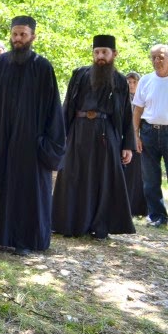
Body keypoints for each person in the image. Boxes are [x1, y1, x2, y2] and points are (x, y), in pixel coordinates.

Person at [0, 16, 66, 256]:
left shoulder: (43, 67)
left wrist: (46, 145)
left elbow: (53, 110)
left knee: (26, 191)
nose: (18, 39)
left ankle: (23, 240)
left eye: (23, 35)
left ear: (32, 37)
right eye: (15, 34)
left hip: (30, 144)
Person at [52, 35, 136, 238]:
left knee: (103, 179)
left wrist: (127, 145)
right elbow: (67, 105)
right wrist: (60, 135)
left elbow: (126, 114)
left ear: (114, 54)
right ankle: (71, 223)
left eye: (104, 52)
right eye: (97, 52)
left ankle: (100, 225)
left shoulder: (120, 81)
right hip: (79, 131)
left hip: (106, 133)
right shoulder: (80, 74)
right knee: (74, 175)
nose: (100, 56)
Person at [133, 44, 168, 228]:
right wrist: (135, 135)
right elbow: (138, 110)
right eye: (153, 57)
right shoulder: (146, 80)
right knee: (150, 179)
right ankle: (157, 216)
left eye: (161, 56)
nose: (157, 61)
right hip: (148, 133)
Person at [124, 70, 147, 217]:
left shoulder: (143, 99)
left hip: (139, 141)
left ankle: (139, 208)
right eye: (129, 82)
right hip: (125, 142)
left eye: (134, 82)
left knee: (139, 175)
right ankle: (126, 207)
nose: (131, 85)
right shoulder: (122, 98)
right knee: (126, 174)